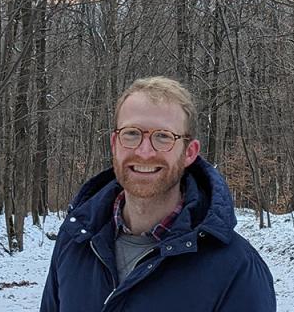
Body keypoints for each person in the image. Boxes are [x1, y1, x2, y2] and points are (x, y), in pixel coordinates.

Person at [40, 76, 276, 312]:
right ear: (114, 144)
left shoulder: (236, 268)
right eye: (131, 134)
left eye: (163, 136)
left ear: (189, 153)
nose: (144, 152)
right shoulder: (76, 241)